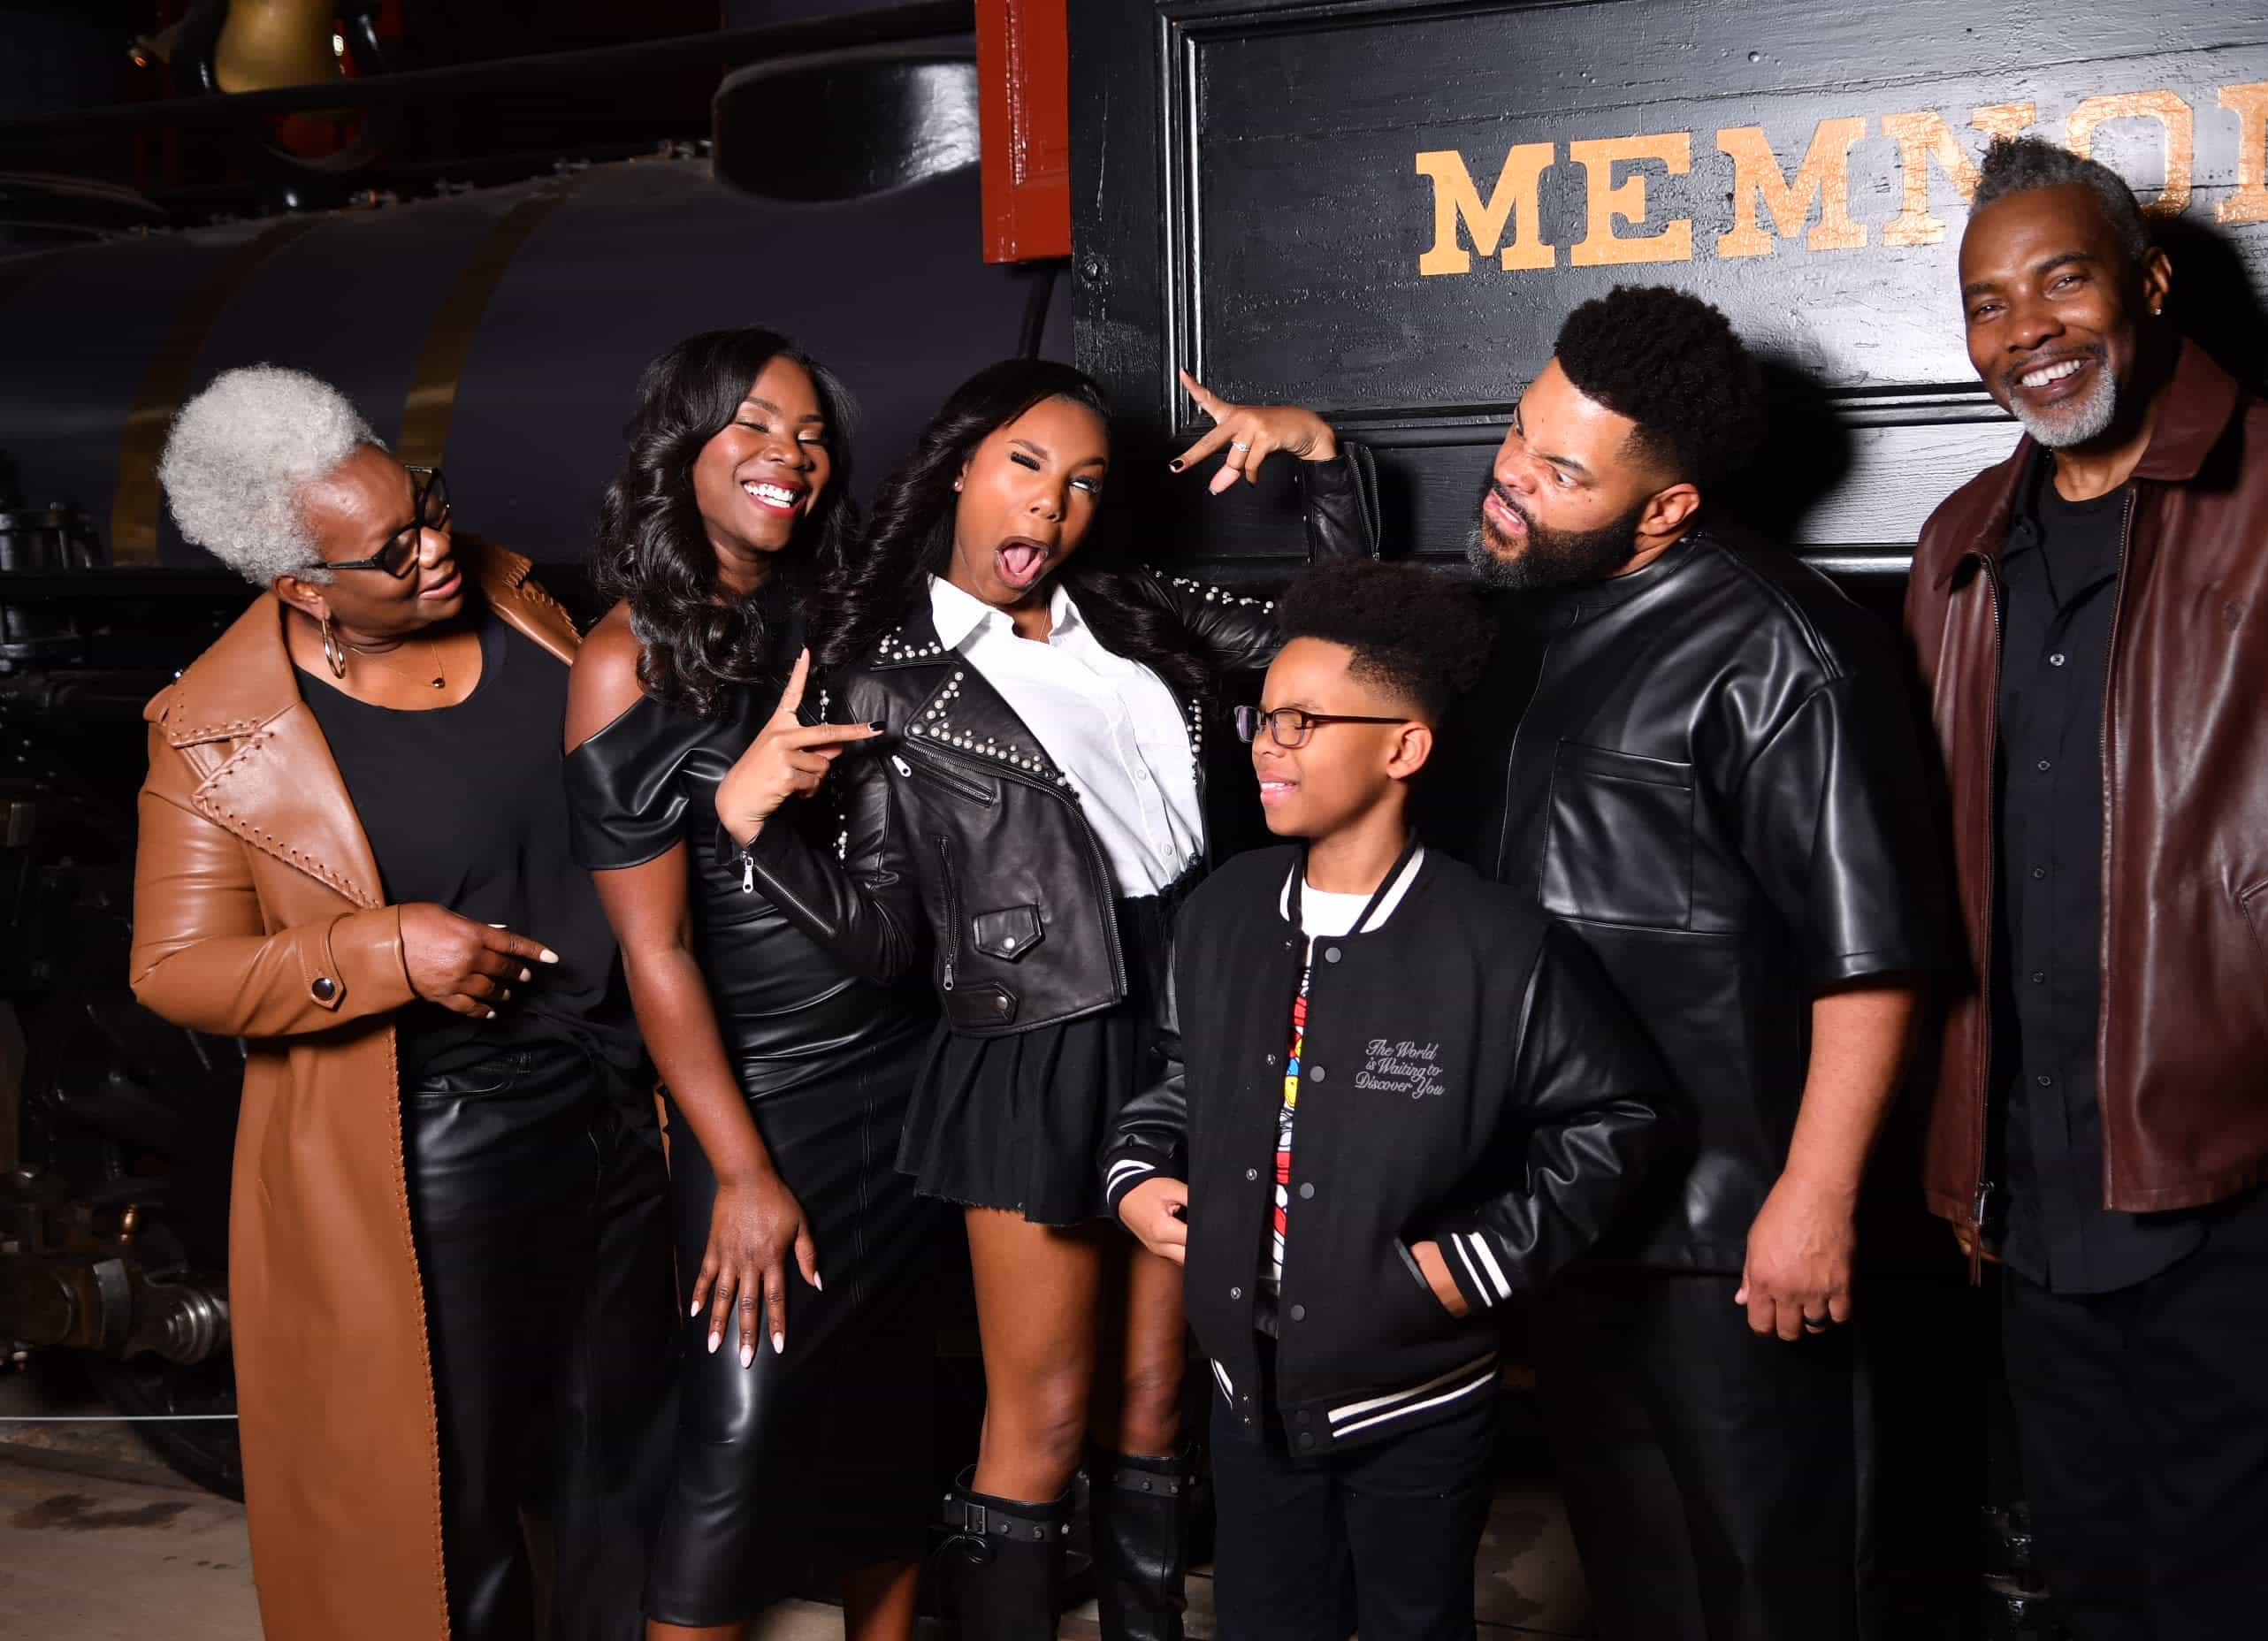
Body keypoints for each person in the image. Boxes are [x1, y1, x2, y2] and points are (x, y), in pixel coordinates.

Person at [710, 357, 1377, 1640]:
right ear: (961, 463)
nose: (1050, 505)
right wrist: (753, 832)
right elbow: (887, 940)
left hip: (1197, 1020)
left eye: (1082, 482)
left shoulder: (1132, 611)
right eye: (1025, 464)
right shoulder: (883, 671)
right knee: (1045, 1419)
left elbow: (1343, 652)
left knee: (1158, 1406)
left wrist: (1324, 465)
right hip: (1039, 1046)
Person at [1905, 136, 2268, 1639]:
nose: (2024, 331)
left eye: (2060, 281)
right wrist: (1959, 1153)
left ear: (2147, 287)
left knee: (2242, 1607)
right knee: (2089, 1594)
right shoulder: (1959, 545)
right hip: (2033, 1202)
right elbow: (1944, 875)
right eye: (1985, 304)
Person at [1403, 286, 1944, 1640]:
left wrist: (1812, 1199)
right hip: (1570, 1211)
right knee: (1638, 1583)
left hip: (1734, 1240)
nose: (1513, 479)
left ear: (1668, 508)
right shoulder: (1524, 608)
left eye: (1563, 472)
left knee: (1780, 1589)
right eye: (1520, 433)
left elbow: (1872, 961)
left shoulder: (1784, 650)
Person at [129, 366, 674, 1641]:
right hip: (437, 1141)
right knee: (450, 1489)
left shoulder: (515, 599)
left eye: (426, 505)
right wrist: (382, 951)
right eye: (389, 550)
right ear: (300, 586)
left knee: (627, 1457)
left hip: (617, 1095)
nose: (434, 548)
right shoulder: (217, 733)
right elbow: (173, 967)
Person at [1106, 560, 1669, 1640]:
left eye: (1303, 721)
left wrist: (1472, 1264)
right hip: (1245, 1385)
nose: (1268, 744)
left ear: (1404, 747)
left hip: (1417, 1394)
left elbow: (1620, 1118)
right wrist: (1137, 1174)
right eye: (1263, 716)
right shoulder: (1221, 911)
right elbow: (1178, 1073)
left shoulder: (1500, 945)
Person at [561, 328, 947, 1641]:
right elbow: (657, 950)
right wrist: (737, 1172)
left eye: (811, 434)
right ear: (683, 445)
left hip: (907, 1067)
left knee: (894, 1425)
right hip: (769, 1098)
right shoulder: (624, 660)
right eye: (757, 425)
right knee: (731, 1449)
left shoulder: (839, 613)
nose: (792, 455)